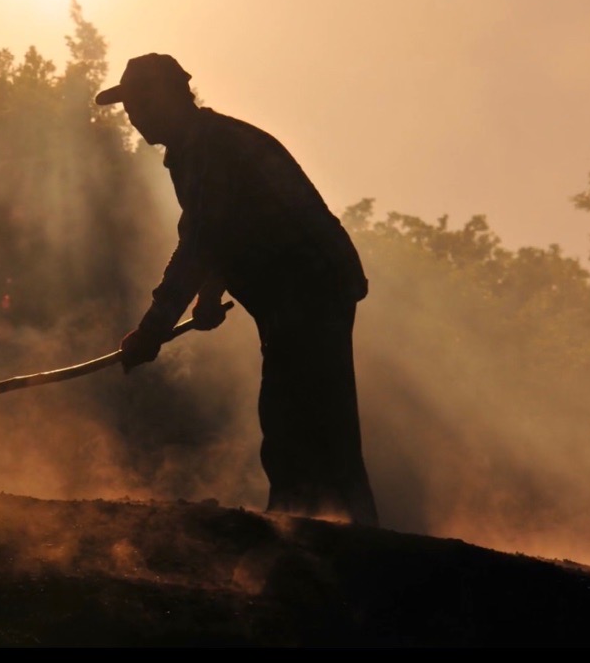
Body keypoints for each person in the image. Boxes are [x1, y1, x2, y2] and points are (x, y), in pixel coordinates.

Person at [96, 53, 378, 527]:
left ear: (168, 98)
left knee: (297, 407)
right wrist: (207, 299)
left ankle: (309, 526)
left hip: (310, 282)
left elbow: (203, 240)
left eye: (139, 101)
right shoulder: (199, 149)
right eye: (128, 104)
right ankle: (330, 525)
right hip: (301, 285)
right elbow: (224, 231)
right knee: (308, 407)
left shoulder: (212, 148)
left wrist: (152, 328)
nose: (132, 113)